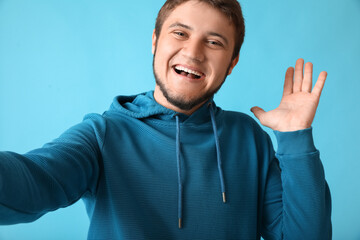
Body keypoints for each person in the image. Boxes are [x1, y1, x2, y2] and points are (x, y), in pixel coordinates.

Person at [0, 0, 332, 239]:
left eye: (214, 42)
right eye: (180, 33)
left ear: (232, 63)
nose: (194, 52)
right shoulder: (102, 135)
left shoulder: (249, 138)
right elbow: (34, 182)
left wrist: (296, 138)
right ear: (155, 41)